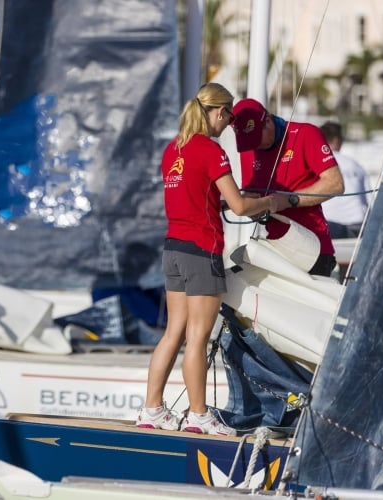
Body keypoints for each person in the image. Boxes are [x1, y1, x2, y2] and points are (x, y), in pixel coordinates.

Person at [136, 83, 282, 436]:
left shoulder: (173, 149)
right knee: (198, 336)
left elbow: (194, 195)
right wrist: (273, 202)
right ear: (218, 112)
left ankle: (151, 409)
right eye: (230, 115)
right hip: (201, 250)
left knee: (173, 332)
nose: (230, 122)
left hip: (173, 248)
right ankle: (199, 417)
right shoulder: (210, 150)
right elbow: (240, 205)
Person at [231, 98, 345, 277]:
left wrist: (289, 200)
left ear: (268, 121)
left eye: (256, 138)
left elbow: (335, 183)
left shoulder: (305, 134)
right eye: (248, 141)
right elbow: (251, 194)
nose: (255, 146)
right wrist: (249, 206)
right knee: (232, 287)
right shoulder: (249, 148)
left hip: (312, 248)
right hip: (275, 247)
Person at [320, 121, 371, 239]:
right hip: (358, 228)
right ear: (337, 140)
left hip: (329, 228)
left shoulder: (315, 164)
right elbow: (369, 202)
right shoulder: (355, 165)